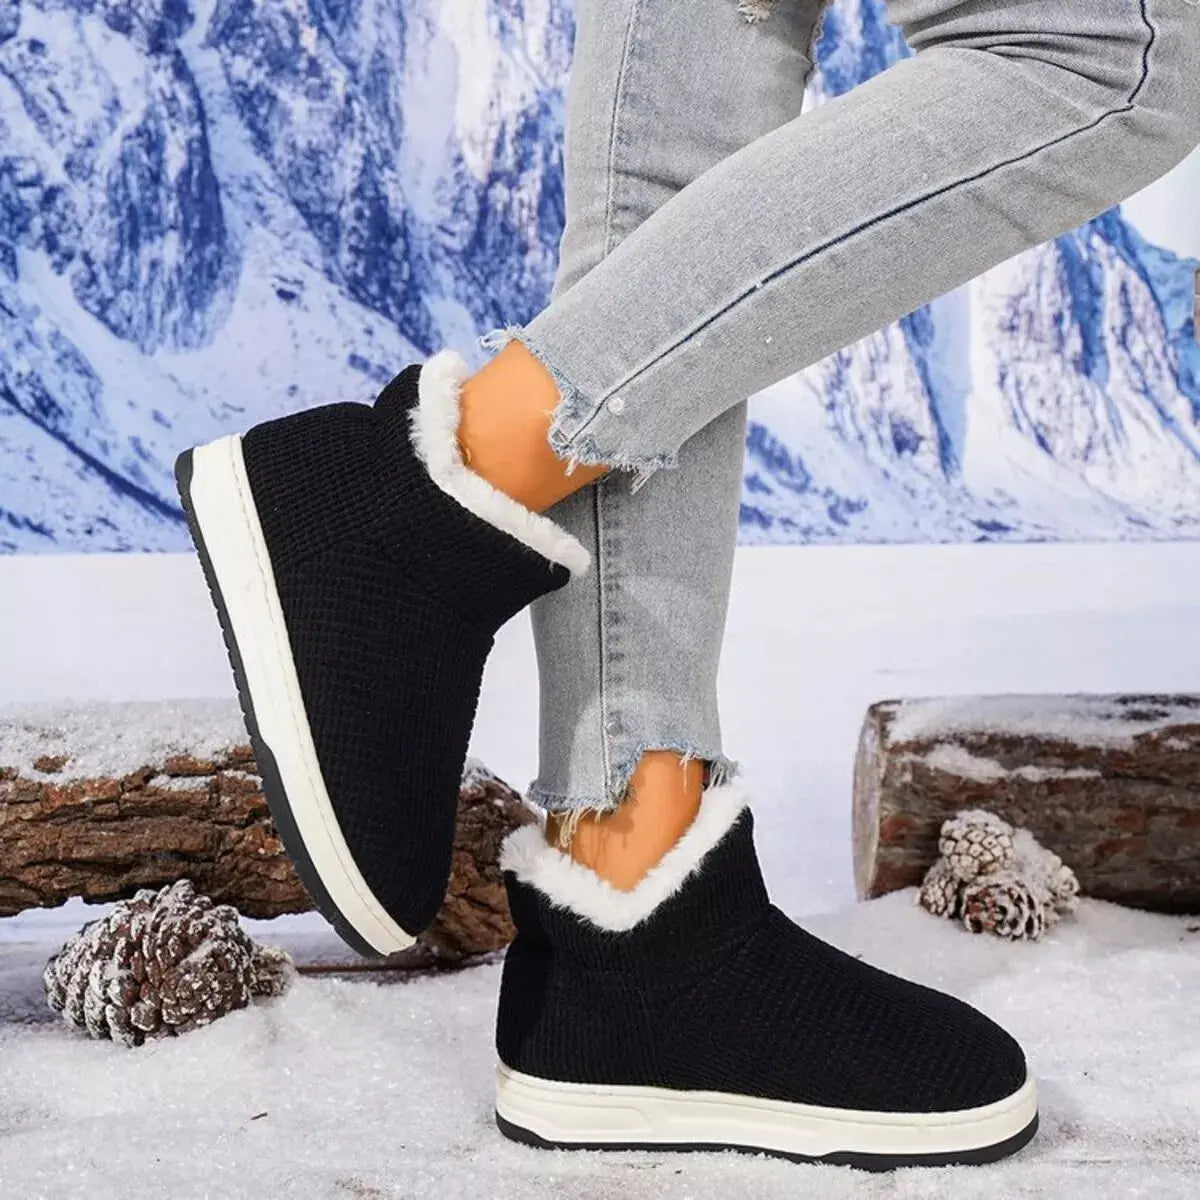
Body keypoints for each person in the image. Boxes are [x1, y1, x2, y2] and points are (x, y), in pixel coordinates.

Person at [174, 0, 1200, 1171]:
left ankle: (637, 906)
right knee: (1108, 52)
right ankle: (426, 495)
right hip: (388, 508)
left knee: (677, 136)